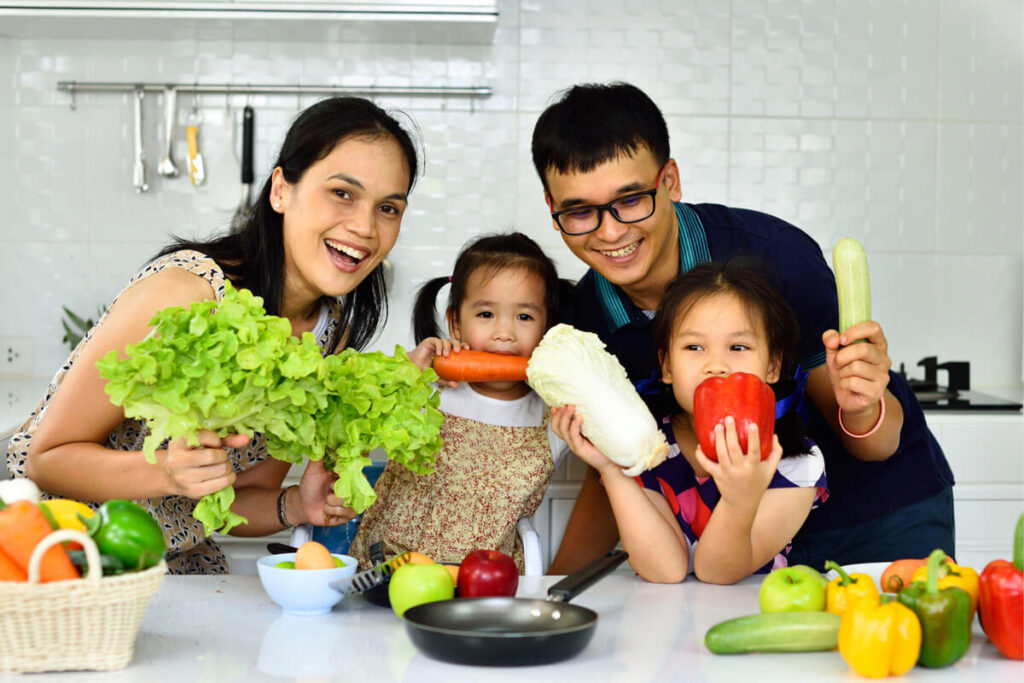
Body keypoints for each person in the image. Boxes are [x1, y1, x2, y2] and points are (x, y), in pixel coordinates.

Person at [533, 81, 955, 574]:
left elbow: (872, 441)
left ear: (669, 180)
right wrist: (550, 590)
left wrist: (864, 403)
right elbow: (621, 463)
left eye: (630, 200)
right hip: (733, 550)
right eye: (580, 211)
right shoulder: (587, 323)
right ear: (552, 210)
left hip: (874, 520)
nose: (610, 231)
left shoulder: (778, 258)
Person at [6, 97, 421, 574]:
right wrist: (166, 471)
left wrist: (296, 505)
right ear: (281, 190)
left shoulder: (329, 335)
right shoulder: (187, 293)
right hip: (65, 555)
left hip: (177, 565)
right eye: (342, 194)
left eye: (388, 208)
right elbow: (46, 458)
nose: (365, 227)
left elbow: (236, 501)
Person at [552, 260, 828, 583]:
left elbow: (717, 573)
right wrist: (611, 470)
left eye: (738, 347)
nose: (716, 365)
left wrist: (741, 500)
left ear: (773, 366)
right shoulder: (647, 446)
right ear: (666, 365)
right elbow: (664, 570)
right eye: (694, 347)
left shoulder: (797, 466)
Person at [347, 232, 572, 573]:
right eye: (486, 314)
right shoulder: (429, 389)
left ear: (547, 329)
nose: (504, 333)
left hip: (487, 586)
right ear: (455, 323)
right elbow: (348, 419)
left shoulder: (552, 417)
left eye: (524, 317)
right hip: (389, 571)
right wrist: (403, 375)